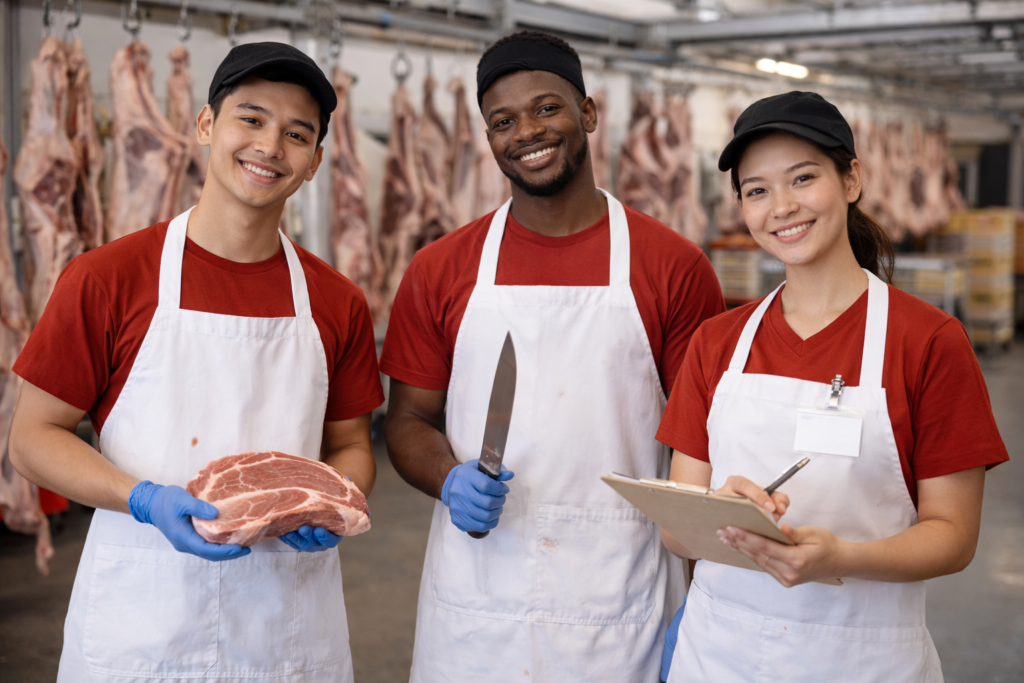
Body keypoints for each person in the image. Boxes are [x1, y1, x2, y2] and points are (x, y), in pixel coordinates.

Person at [9, 43, 383, 683]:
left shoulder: (336, 301)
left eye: (297, 135)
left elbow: (352, 446)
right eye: (251, 118)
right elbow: (31, 439)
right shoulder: (107, 277)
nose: (270, 147)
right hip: (141, 623)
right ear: (207, 125)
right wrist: (143, 498)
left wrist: (332, 502)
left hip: (286, 628)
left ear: (316, 162)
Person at [381, 30, 724, 682]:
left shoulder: (674, 267)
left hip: (622, 600)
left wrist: (707, 601)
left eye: (547, 107)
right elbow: (408, 421)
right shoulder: (440, 269)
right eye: (503, 120)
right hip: (478, 605)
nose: (527, 132)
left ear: (589, 114)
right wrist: (448, 479)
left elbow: (705, 454)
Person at [656, 91, 1009, 682]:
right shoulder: (717, 342)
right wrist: (721, 510)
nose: (782, 207)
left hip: (862, 661)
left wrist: (842, 558)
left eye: (803, 178)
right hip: (718, 656)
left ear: (851, 180)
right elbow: (675, 528)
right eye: (757, 190)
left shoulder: (927, 342)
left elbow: (953, 537)